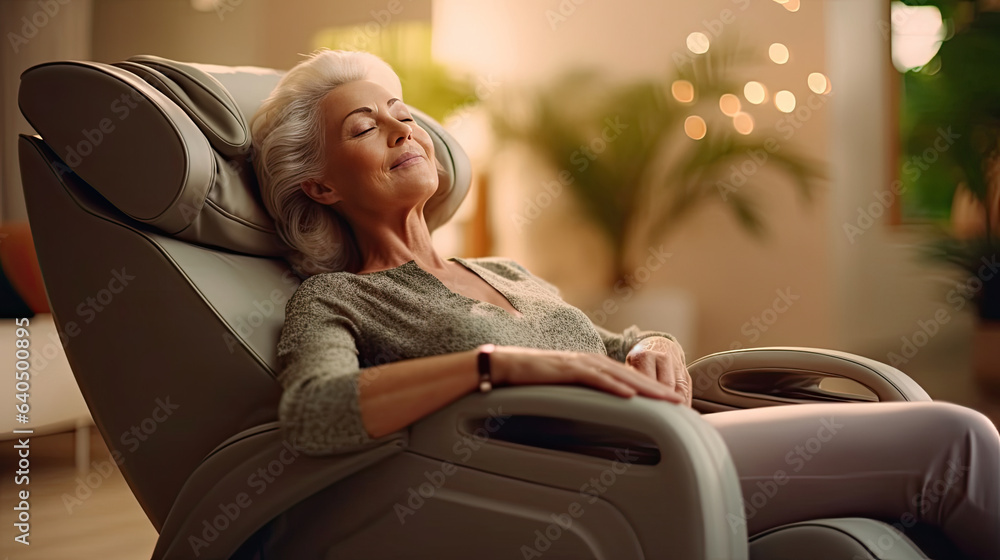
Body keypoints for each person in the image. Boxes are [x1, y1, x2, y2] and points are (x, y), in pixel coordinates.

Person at [250, 49, 1000, 559]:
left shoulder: (503, 270)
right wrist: (493, 366)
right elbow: (314, 411)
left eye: (399, 111)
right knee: (953, 442)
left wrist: (656, 348)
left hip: (676, 437)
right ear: (320, 185)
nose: (399, 128)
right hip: (616, 477)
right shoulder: (339, 298)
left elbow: (608, 348)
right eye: (362, 126)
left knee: (932, 448)